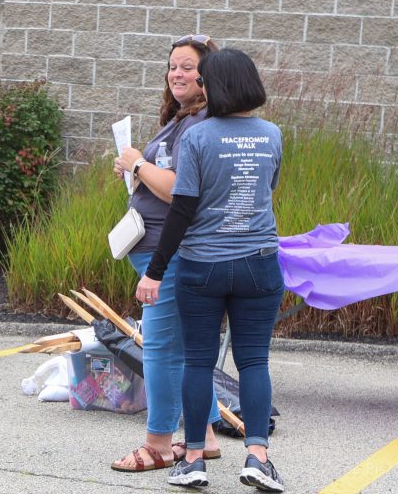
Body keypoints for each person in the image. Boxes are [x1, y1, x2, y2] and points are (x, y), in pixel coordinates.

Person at [136, 49, 285, 492]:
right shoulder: (272, 134)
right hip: (259, 263)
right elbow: (268, 187)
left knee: (198, 362)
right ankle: (258, 457)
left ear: (213, 86)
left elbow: (182, 209)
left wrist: (155, 271)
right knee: (254, 361)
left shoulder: (199, 137)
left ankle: (194, 461)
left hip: (203, 266)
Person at [110, 34, 225, 473]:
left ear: (207, 76)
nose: (177, 73)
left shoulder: (199, 123)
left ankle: (158, 444)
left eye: (188, 67)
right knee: (184, 348)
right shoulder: (183, 118)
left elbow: (179, 190)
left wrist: (138, 164)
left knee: (161, 349)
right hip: (157, 249)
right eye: (173, 66)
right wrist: (134, 168)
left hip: (170, 254)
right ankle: (206, 435)